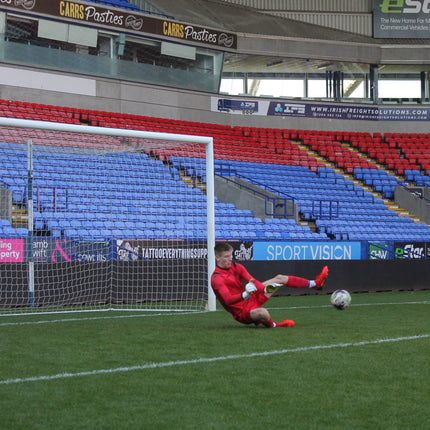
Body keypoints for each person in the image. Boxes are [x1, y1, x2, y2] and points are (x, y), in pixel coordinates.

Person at [211, 242, 329, 328]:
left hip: (250, 298)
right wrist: (244, 294)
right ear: (217, 257)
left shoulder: (237, 267)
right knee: (263, 313)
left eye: (231, 255)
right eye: (226, 257)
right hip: (241, 312)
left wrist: (265, 289)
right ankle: (274, 325)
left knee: (279, 278)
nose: (230, 259)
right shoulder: (217, 278)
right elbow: (228, 300)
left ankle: (315, 284)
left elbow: (253, 281)